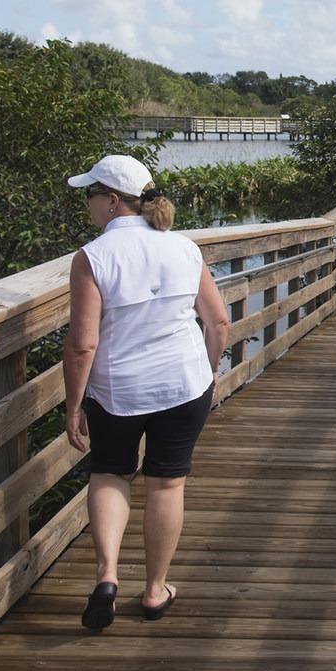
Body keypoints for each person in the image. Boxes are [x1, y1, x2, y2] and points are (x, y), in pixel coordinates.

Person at [62, 154, 229, 630]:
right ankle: (155, 590)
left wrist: (73, 406)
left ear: (112, 201)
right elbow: (217, 321)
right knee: (166, 483)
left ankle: (107, 577)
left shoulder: (93, 257)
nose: (87, 205)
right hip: (183, 383)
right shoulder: (183, 247)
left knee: (111, 472)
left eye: (90, 196)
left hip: (118, 390)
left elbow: (82, 343)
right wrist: (209, 371)